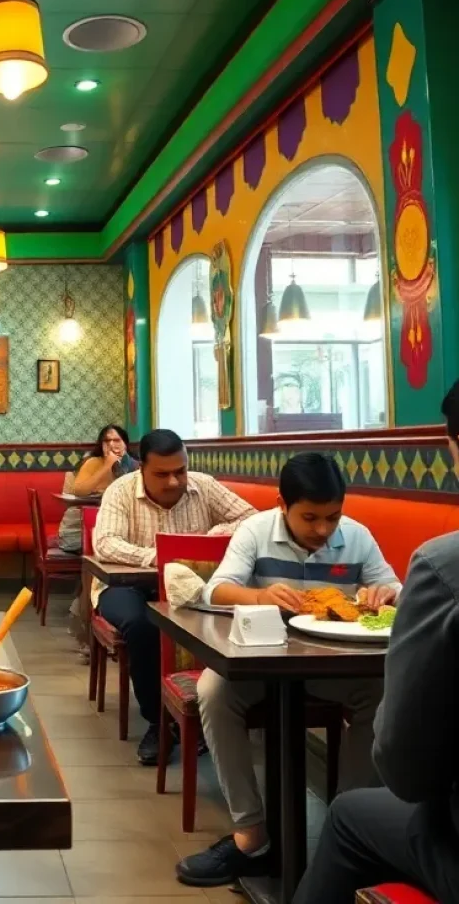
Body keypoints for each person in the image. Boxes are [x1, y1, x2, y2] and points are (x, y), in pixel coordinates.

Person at [177, 452, 398, 887]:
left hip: (333, 666)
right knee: (214, 691)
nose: (322, 530)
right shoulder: (254, 531)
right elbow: (217, 589)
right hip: (259, 661)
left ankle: (345, 828)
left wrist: (385, 594)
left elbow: (394, 586)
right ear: (282, 504)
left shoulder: (357, 536)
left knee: (382, 691)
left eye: (332, 517)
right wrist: (260, 597)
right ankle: (250, 834)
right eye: (309, 517)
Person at [291, 385, 459, 904]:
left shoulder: (442, 566)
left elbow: (405, 770)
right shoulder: (256, 532)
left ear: (452, 445)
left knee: (348, 814)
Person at [93, 428, 255, 765]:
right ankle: (159, 721)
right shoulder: (120, 491)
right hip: (128, 586)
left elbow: (250, 519)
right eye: (162, 474)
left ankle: (206, 714)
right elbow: (105, 542)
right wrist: (158, 555)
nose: (173, 482)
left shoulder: (203, 485)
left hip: (194, 587)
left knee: (221, 618)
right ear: (141, 469)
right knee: (143, 625)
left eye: (179, 471)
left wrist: (213, 535)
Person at [57, 424, 138, 554]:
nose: (112, 444)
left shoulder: (134, 465)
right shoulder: (93, 462)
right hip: (80, 531)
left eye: (116, 440)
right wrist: (107, 465)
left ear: (125, 444)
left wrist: (120, 466)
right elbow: (79, 490)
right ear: (101, 444)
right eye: (106, 441)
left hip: (116, 530)